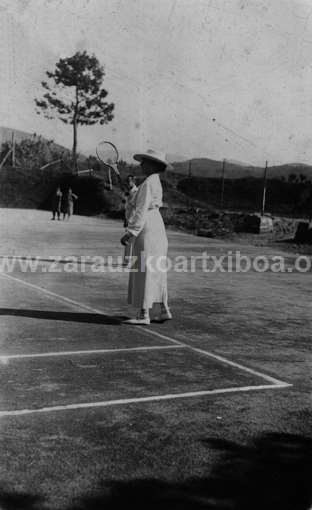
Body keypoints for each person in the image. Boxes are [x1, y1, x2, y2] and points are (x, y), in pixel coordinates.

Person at [120, 149, 173, 325]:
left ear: (153, 165)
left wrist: (130, 232)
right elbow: (141, 200)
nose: (141, 164)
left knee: (144, 269)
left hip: (147, 228)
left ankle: (144, 315)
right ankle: (164, 309)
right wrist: (131, 190)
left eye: (145, 161)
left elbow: (141, 209)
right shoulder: (154, 181)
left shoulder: (148, 183)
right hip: (158, 227)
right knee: (157, 269)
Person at [122, 175, 138, 267]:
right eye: (127, 181)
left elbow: (134, 206)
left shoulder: (136, 191)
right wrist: (125, 219)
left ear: (133, 181)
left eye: (129, 181)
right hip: (128, 218)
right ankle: (127, 261)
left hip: (134, 219)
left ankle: (130, 261)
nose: (128, 183)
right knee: (128, 241)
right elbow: (126, 207)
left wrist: (128, 195)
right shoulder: (128, 192)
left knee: (131, 241)